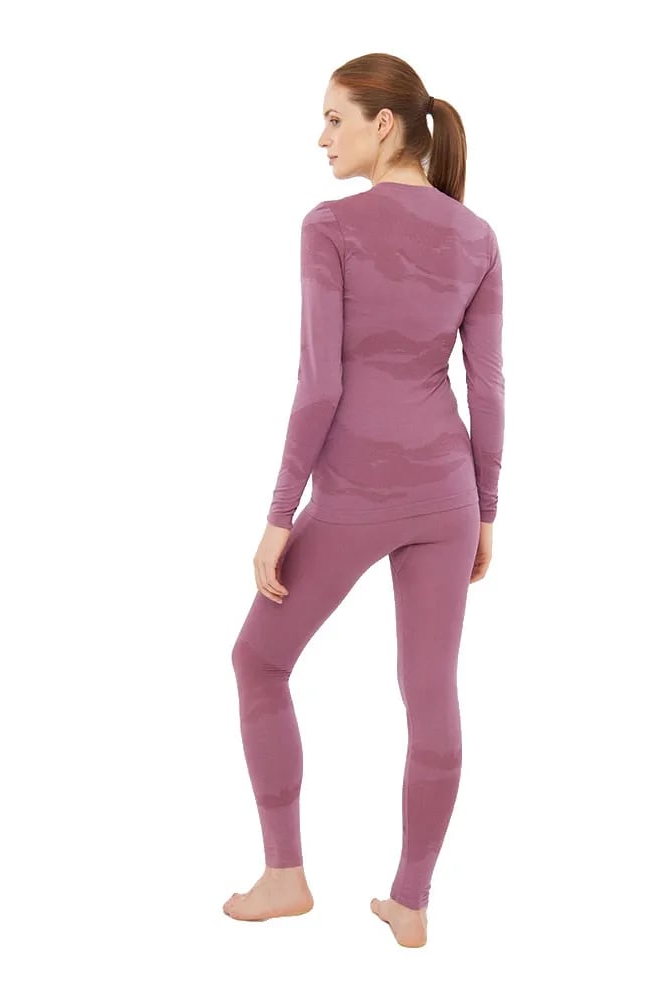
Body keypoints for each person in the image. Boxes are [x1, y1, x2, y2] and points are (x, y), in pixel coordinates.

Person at [224, 53, 504, 949]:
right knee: (431, 693)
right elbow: (488, 387)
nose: (322, 137)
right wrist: (485, 509)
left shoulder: (330, 226)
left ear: (384, 125)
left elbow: (319, 384)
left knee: (258, 660)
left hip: (356, 495)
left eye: (335, 118)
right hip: (446, 496)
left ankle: (285, 875)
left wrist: (279, 515)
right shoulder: (477, 236)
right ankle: (411, 902)